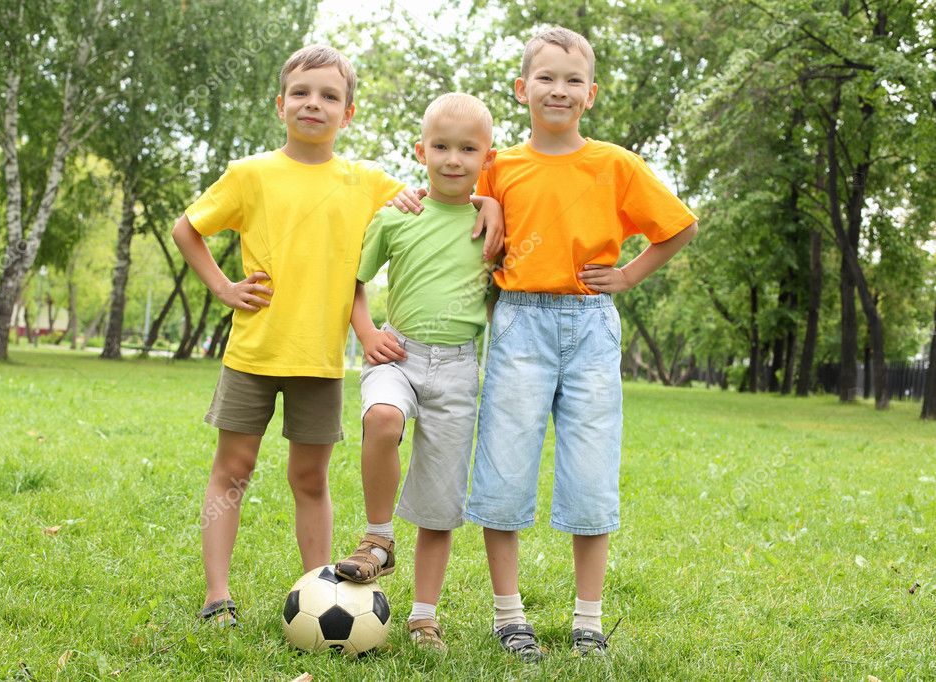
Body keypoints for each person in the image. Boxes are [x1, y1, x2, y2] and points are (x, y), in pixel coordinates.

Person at [172, 45, 502, 627]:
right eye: (301, 93)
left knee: (309, 477)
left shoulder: (368, 181)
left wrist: (491, 204)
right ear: (281, 105)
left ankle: (318, 594)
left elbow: (447, 187)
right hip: (254, 350)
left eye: (329, 96)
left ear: (348, 113)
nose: (313, 104)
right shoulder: (251, 174)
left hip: (321, 359)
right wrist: (224, 288)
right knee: (234, 469)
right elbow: (187, 228)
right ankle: (216, 595)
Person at [463, 27, 699, 660]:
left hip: (591, 323)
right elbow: (445, 188)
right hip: (519, 323)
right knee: (506, 465)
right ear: (522, 89)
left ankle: (587, 619)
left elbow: (678, 226)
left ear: (590, 94)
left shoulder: (614, 164)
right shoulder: (498, 164)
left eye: (572, 81)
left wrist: (627, 275)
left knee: (591, 472)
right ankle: (508, 614)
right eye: (545, 78)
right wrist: (480, 199)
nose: (558, 90)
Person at [334, 93, 497, 652]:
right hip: (397, 354)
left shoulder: (490, 223)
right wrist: (366, 333)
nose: (453, 159)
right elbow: (353, 282)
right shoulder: (398, 215)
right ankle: (377, 540)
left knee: (439, 499)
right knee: (381, 419)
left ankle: (423, 615)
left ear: (486, 156)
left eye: (467, 149)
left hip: (458, 368)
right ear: (420, 150)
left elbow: (505, 290)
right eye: (441, 147)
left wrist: (493, 204)